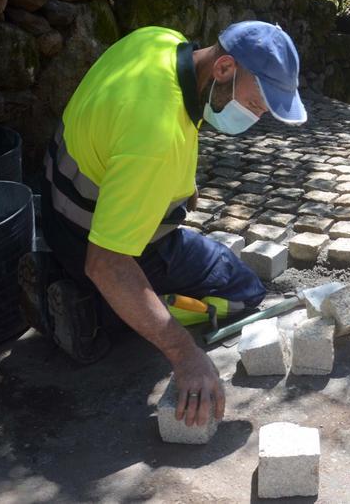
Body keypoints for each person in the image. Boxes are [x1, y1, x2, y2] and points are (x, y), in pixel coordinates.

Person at [30, 21, 307, 428]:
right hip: (96, 241)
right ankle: (93, 312)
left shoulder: (159, 41)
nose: (259, 116)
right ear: (225, 68)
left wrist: (184, 183)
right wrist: (184, 354)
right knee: (244, 289)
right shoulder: (156, 140)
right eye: (257, 103)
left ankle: (84, 286)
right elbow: (106, 261)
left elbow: (149, 125)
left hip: (57, 208)